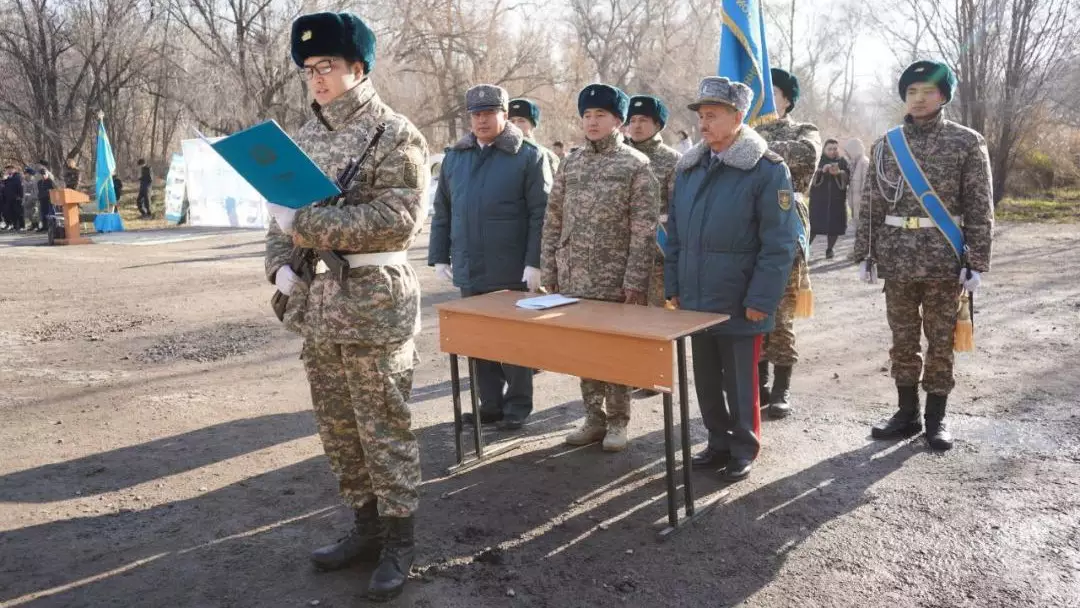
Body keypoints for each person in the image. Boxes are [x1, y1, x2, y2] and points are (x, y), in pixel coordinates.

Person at [263, 11, 429, 600]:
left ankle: (399, 542)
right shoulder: (304, 137)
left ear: (359, 67)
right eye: (309, 69)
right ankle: (363, 528)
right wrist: (278, 264)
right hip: (318, 303)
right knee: (338, 430)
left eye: (327, 66)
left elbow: (397, 220)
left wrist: (303, 223)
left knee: (383, 427)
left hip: (372, 305)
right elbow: (279, 214)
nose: (317, 78)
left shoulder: (396, 134)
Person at [854, 60, 993, 451]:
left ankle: (936, 417)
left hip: (943, 259)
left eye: (927, 91)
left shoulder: (966, 142)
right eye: (912, 92)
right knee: (902, 339)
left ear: (943, 96)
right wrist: (865, 253)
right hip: (896, 258)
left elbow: (980, 206)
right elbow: (871, 203)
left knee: (940, 340)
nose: (918, 99)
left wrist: (976, 261)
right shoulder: (886, 144)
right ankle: (905, 412)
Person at [665, 76, 797, 482]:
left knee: (741, 380)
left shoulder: (766, 170)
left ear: (738, 117)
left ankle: (744, 447)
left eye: (713, 115)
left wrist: (761, 298)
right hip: (695, 297)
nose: (704, 124)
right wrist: (673, 287)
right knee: (705, 378)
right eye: (701, 116)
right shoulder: (688, 169)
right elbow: (675, 237)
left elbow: (779, 243)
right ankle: (717, 441)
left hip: (740, 297)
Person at [540, 83, 659, 452]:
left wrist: (635, 280)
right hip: (574, 275)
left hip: (616, 278)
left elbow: (644, 230)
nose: (592, 122)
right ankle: (593, 418)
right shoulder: (570, 162)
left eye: (600, 116)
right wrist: (549, 271)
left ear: (618, 121)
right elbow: (553, 218)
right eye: (587, 115)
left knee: (614, 353)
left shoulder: (635, 165)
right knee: (585, 351)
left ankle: (618, 421)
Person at [428, 84, 551, 431]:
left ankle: (517, 406)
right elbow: (443, 211)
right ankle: (490, 404)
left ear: (504, 114)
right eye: (475, 114)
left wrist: (535, 262)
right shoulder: (456, 157)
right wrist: (440, 255)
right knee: (479, 341)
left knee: (514, 341)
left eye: (488, 113)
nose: (481, 120)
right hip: (471, 265)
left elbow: (540, 214)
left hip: (511, 266)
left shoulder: (528, 156)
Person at [754, 67, 821, 418]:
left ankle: (781, 388)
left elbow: (805, 157)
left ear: (788, 99)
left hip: (784, 230)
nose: (766, 102)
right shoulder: (741, 130)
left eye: (773, 94)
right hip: (746, 232)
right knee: (751, 312)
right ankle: (758, 385)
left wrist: (749, 142)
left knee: (780, 316)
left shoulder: (803, 131)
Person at [626, 94, 681, 311]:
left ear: (657, 125)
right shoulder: (620, 156)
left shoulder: (673, 160)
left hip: (657, 258)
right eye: (632, 120)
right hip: (621, 255)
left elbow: (677, 209)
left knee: (657, 321)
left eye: (643, 120)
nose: (636, 126)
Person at [809, 139, 849, 258]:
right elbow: (810, 175)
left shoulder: (842, 161)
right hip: (819, 200)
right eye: (830, 149)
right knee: (813, 225)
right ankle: (805, 248)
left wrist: (839, 173)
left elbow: (848, 176)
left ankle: (830, 249)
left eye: (835, 149)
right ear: (824, 149)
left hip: (837, 200)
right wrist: (822, 170)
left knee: (834, 226)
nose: (832, 151)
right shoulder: (818, 160)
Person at [507, 98, 560, 174]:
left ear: (533, 125)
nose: (516, 125)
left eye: (521, 121)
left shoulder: (546, 156)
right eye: (512, 121)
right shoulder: (498, 154)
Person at [845, 138, 869, 226]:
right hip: (854, 208)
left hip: (861, 208)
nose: (847, 154)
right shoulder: (853, 163)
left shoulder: (864, 163)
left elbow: (866, 185)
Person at [3, 165, 25, 231]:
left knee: (18, 212)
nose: (9, 170)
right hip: (8, 198)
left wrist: (20, 196)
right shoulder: (6, 179)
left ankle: (21, 226)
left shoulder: (17, 177)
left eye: (10, 169)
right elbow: (5, 189)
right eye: (7, 169)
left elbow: (20, 188)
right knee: (11, 212)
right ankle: (15, 225)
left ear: (14, 169)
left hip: (16, 198)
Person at [37, 163, 56, 233]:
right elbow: (39, 190)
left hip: (48, 198)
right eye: (42, 174)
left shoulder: (50, 181)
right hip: (42, 198)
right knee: (43, 213)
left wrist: (48, 191)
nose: (43, 176)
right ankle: (44, 226)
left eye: (44, 174)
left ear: (47, 174)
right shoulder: (39, 182)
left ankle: (50, 226)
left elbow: (53, 189)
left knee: (49, 213)